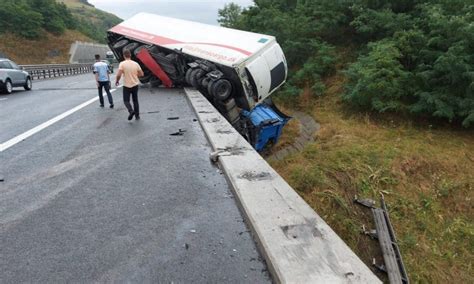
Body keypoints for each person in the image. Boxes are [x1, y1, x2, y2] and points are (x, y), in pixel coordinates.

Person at [115, 49, 144, 120]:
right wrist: (134, 75)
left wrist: (117, 80)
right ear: (130, 55)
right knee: (135, 101)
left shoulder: (122, 64)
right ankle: (137, 116)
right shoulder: (135, 63)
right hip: (135, 84)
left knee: (126, 100)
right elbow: (141, 74)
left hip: (126, 85)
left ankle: (131, 111)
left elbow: (119, 74)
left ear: (124, 56)